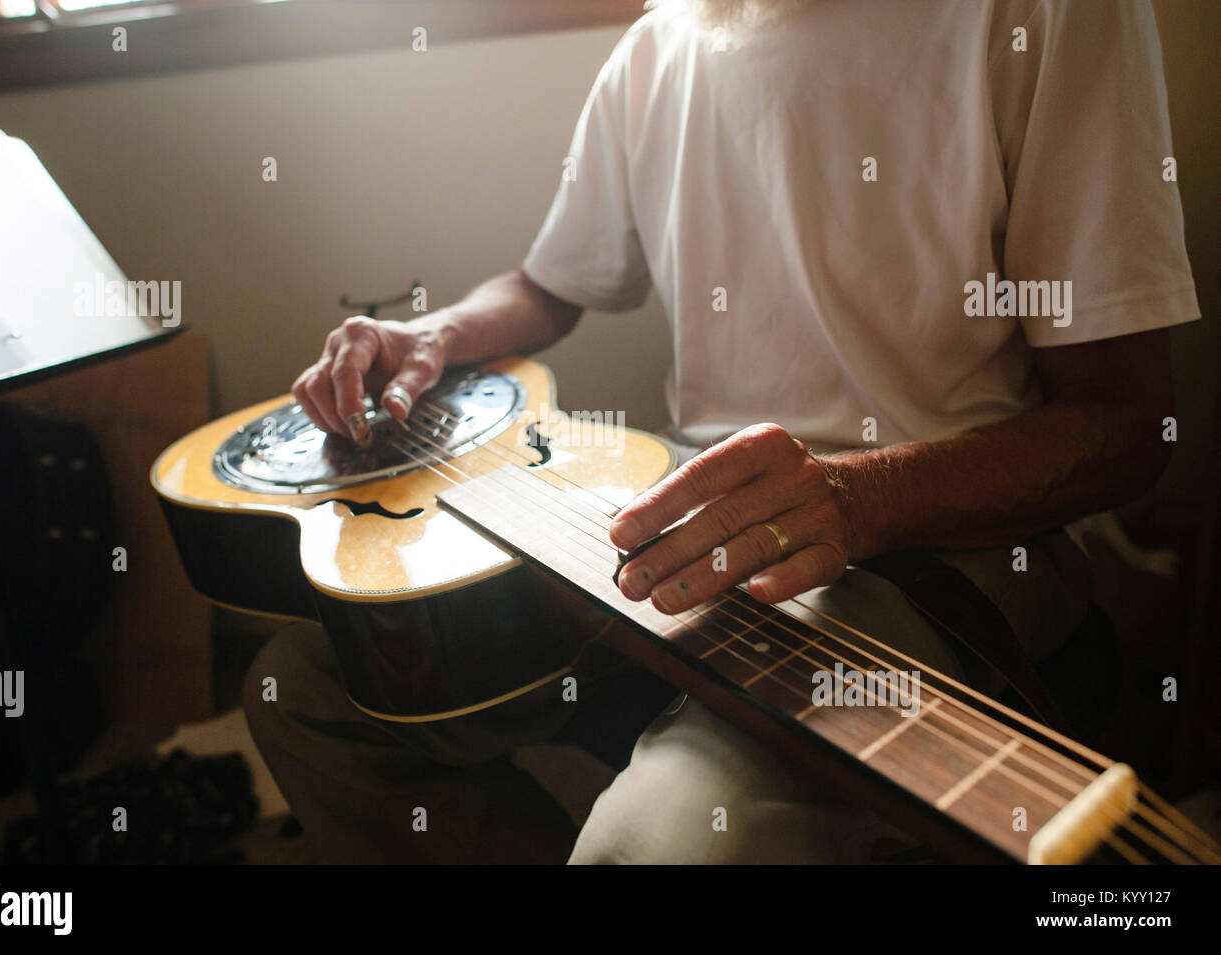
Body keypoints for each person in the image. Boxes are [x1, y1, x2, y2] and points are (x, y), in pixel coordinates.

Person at [246, 0, 1199, 863]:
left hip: (940, 543)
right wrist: (436, 331)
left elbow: (1126, 426)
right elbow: (548, 286)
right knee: (308, 689)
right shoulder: (660, 43)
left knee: (655, 844)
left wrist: (852, 495)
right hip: (685, 512)